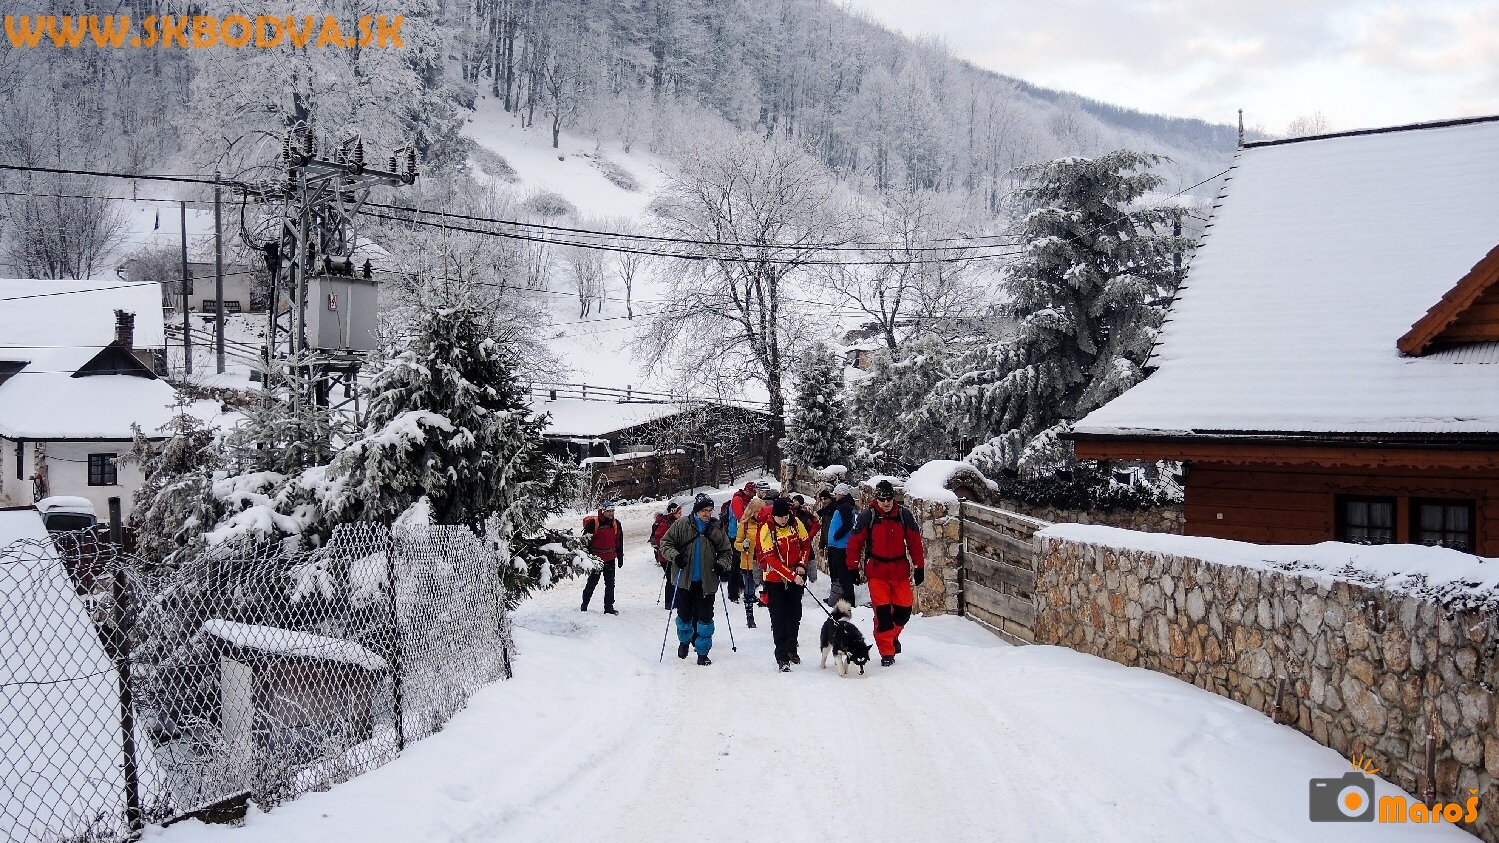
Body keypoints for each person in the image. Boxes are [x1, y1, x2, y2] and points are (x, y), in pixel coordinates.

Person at [846, 480, 925, 666]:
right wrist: (852, 567)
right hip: (877, 573)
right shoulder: (868, 516)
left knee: (904, 611)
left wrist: (919, 566)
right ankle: (887, 652)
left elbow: (914, 542)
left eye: (889, 498)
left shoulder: (904, 515)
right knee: (883, 616)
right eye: (882, 499)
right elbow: (855, 543)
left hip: (900, 572)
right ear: (876, 499)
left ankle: (891, 638)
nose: (886, 502)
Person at [660, 494, 736, 665]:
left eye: (709, 510)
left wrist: (721, 565)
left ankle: (702, 653)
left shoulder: (716, 528)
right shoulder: (682, 524)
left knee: (705, 619)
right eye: (704, 511)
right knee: (685, 617)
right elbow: (665, 543)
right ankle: (684, 641)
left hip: (707, 582)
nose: (707, 514)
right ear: (696, 511)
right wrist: (676, 557)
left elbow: (726, 552)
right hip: (684, 580)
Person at [755, 497, 810, 672]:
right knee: (778, 617)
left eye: (786, 516)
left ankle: (792, 649)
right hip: (774, 579)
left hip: (796, 575)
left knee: (795, 614)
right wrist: (792, 575)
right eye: (780, 517)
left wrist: (801, 564)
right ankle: (781, 656)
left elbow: (805, 544)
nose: (784, 520)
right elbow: (771, 558)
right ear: (774, 516)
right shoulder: (767, 529)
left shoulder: (795, 524)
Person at [581, 501, 625, 614]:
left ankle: (609, 607)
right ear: (603, 511)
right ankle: (584, 605)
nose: (611, 513)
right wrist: (587, 557)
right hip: (596, 559)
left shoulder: (616, 524)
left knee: (610, 584)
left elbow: (619, 541)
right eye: (609, 511)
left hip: (610, 557)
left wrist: (620, 557)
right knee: (592, 582)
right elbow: (585, 541)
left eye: (612, 511)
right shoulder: (593, 523)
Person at [735, 484, 767, 628]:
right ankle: (750, 618)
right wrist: (744, 545)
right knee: (749, 591)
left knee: (769, 591)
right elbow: (737, 544)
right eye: (758, 511)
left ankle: (773, 619)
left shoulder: (767, 524)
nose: (761, 514)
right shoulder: (745, 524)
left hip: (765, 563)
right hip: (748, 562)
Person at [824, 483, 858, 607]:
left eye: (836, 493)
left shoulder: (845, 506)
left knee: (843, 575)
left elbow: (847, 524)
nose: (834, 495)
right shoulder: (842, 505)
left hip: (840, 546)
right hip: (836, 545)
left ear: (841, 494)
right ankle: (836, 597)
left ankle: (849, 600)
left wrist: (837, 535)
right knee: (836, 574)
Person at [724, 482, 757, 602]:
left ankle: (744, 589)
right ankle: (733, 593)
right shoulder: (737, 499)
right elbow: (740, 516)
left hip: (745, 535)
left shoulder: (748, 500)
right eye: (753, 492)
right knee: (736, 564)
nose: (754, 494)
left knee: (744, 564)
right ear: (748, 490)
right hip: (735, 535)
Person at [650, 499, 684, 607]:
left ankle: (675, 600)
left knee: (674, 578)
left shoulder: (675, 522)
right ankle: (669, 602)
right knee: (671, 578)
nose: (681, 514)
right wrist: (669, 548)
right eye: (679, 513)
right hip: (666, 557)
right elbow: (659, 538)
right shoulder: (665, 524)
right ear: (673, 512)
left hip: (673, 555)